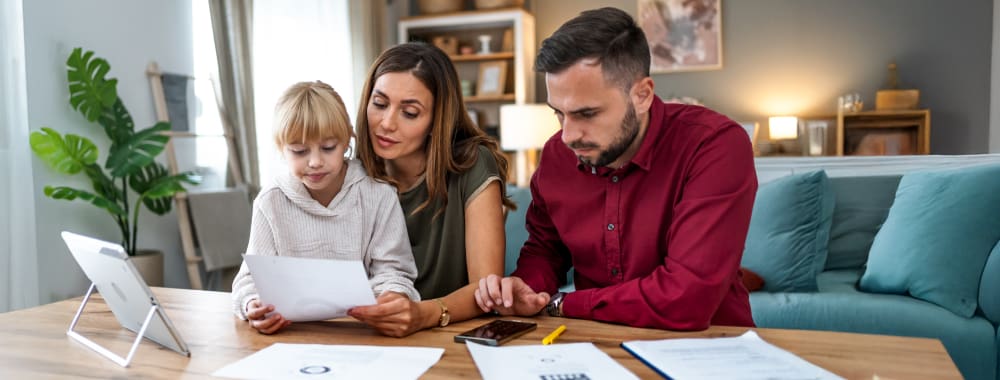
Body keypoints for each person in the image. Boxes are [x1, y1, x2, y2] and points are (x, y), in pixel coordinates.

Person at [475, 7, 757, 330]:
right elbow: (545, 250)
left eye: (587, 114)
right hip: (595, 347)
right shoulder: (557, 154)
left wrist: (562, 304)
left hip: (710, 349)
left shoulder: (715, 146)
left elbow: (686, 298)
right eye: (559, 114)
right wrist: (526, 286)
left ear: (642, 95)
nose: (567, 136)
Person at [347, 42, 515, 337]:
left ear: (437, 120)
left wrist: (423, 314)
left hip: (450, 337)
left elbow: (486, 287)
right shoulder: (349, 172)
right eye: (380, 103)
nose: (386, 123)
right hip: (369, 336)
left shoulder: (472, 164)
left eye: (409, 112)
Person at [231, 81, 419, 334]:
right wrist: (252, 304)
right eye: (299, 151)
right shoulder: (270, 201)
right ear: (281, 149)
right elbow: (250, 280)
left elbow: (394, 270)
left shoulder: (378, 195)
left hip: (362, 332)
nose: (315, 162)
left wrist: (392, 297)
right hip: (292, 335)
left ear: (346, 141)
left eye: (328, 148)